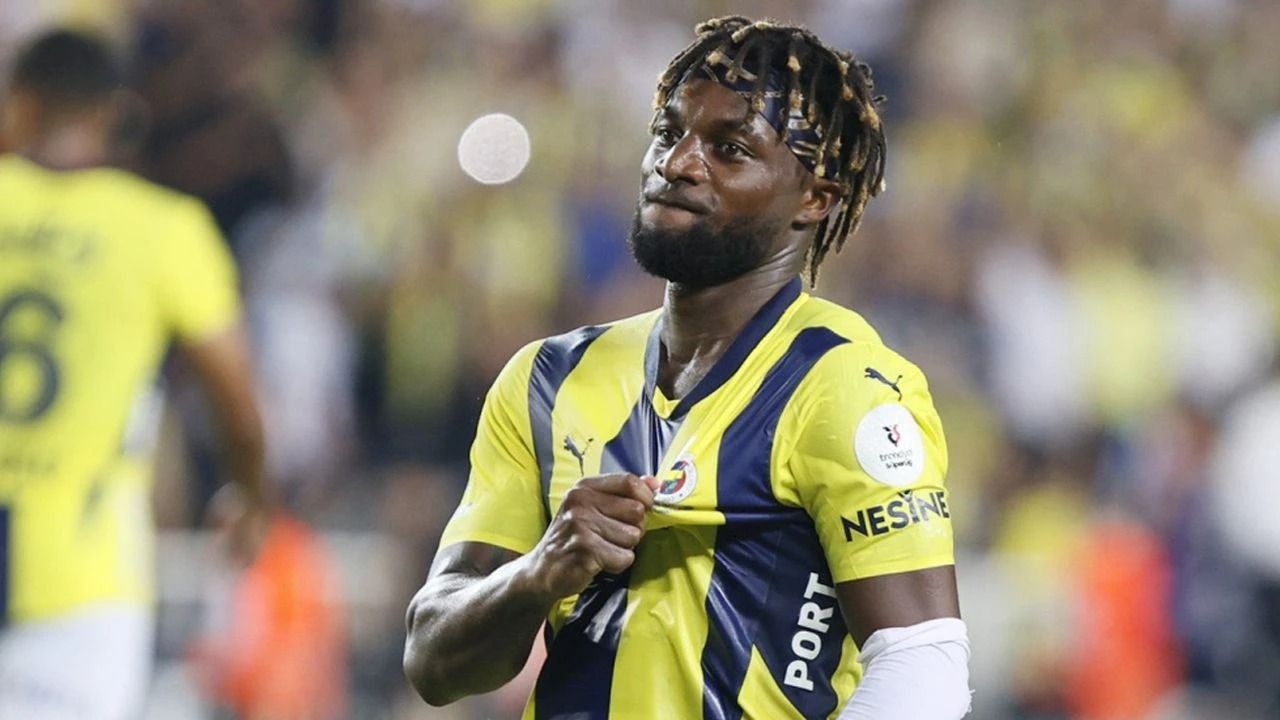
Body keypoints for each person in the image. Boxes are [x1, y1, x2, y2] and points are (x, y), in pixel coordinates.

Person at [404, 16, 970, 719]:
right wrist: (537, 573)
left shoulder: (843, 386)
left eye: (730, 149)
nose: (678, 163)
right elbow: (433, 662)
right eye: (669, 133)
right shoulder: (547, 379)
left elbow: (923, 668)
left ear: (815, 199)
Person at [0, 29, 269, 719]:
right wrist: (248, 497)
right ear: (113, 113)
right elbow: (239, 404)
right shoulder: (163, 228)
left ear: (19, 104)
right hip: (81, 580)